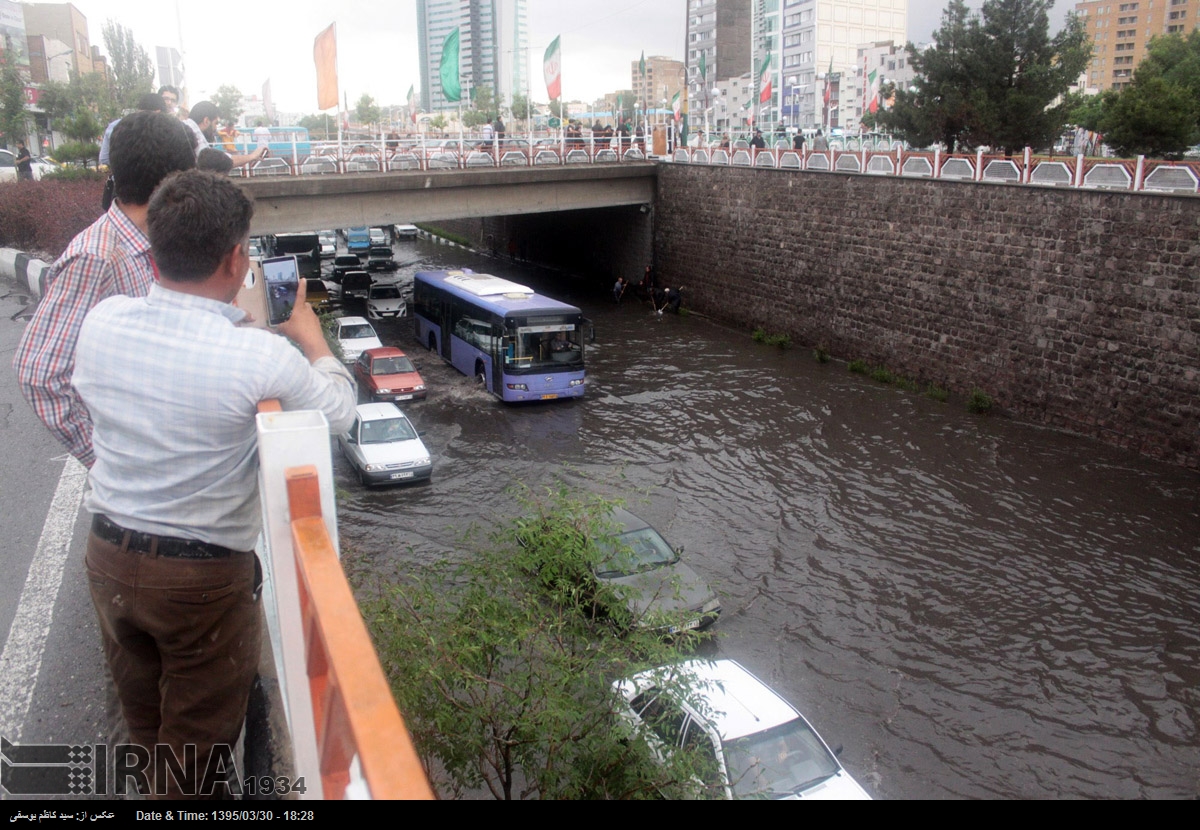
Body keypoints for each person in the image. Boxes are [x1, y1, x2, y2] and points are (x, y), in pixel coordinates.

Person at [73, 169, 357, 799]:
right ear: (235, 259)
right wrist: (315, 345)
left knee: (148, 730)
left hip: (108, 559)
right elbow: (339, 413)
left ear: (156, 250)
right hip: (199, 585)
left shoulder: (103, 321)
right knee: (193, 766)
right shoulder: (256, 356)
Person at [14, 111, 197, 468]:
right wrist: (109, 465)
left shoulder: (147, 243)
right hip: (141, 477)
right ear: (172, 183)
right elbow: (39, 373)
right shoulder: (96, 257)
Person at [185, 101, 266, 168]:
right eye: (215, 123)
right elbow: (211, 160)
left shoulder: (188, 128)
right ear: (206, 121)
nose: (215, 128)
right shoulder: (192, 132)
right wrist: (251, 156)